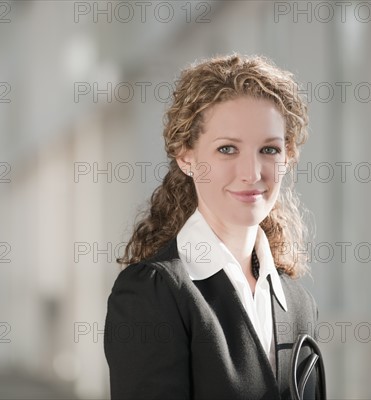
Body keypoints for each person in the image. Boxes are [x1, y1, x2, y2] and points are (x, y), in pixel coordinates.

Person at [104, 54, 321, 400]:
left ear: (288, 156)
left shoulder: (297, 304)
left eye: (269, 149)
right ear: (186, 156)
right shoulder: (153, 295)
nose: (252, 172)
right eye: (227, 149)